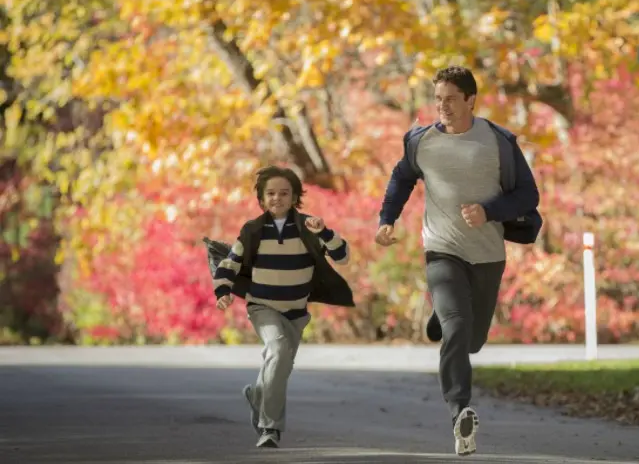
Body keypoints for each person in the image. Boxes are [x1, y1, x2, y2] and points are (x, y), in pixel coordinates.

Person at [375, 65, 542, 456]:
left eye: (451, 99)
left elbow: (528, 195)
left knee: (473, 339)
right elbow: (401, 178)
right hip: (442, 249)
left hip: (487, 254)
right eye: (437, 99)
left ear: (471, 100)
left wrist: (490, 211)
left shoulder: (498, 142)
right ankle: (460, 412)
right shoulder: (422, 143)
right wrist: (387, 219)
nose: (442, 107)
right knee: (457, 327)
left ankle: (443, 317)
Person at [213, 166, 354, 448]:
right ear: (262, 198)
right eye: (271, 193)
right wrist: (223, 290)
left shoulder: (307, 227)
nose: (277, 198)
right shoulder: (253, 230)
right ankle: (269, 428)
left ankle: (258, 395)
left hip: (297, 312)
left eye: (284, 193)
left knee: (280, 368)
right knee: (276, 350)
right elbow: (230, 263)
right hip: (263, 306)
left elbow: (343, 257)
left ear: (295, 197)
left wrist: (325, 232)